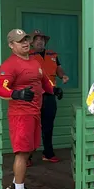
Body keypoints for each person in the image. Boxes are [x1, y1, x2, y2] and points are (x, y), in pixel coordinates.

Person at [0, 28, 55, 189]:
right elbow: (0, 89)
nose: (25, 43)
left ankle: (15, 185)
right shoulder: (9, 65)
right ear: (11, 45)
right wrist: (17, 94)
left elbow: (44, 80)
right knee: (21, 153)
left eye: (26, 40)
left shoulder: (34, 60)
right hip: (20, 114)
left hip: (35, 111)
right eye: (20, 41)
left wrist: (53, 89)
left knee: (29, 149)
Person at [29, 29, 68, 163]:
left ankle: (48, 153)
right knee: (31, 127)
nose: (40, 41)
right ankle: (26, 157)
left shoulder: (53, 54)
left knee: (48, 126)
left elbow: (58, 68)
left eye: (42, 39)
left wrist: (62, 76)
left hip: (50, 94)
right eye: (37, 39)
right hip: (34, 96)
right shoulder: (28, 55)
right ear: (32, 42)